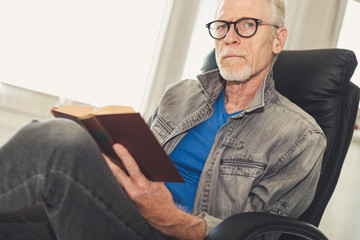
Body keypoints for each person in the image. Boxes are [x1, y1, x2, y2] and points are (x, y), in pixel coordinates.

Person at [0, 0, 326, 239]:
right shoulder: (180, 94)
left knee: (59, 142)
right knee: (19, 206)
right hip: (124, 213)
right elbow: (142, 163)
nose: (230, 37)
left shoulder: (301, 138)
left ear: (278, 40)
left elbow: (258, 235)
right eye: (223, 26)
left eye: (247, 25)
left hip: (175, 232)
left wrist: (170, 217)